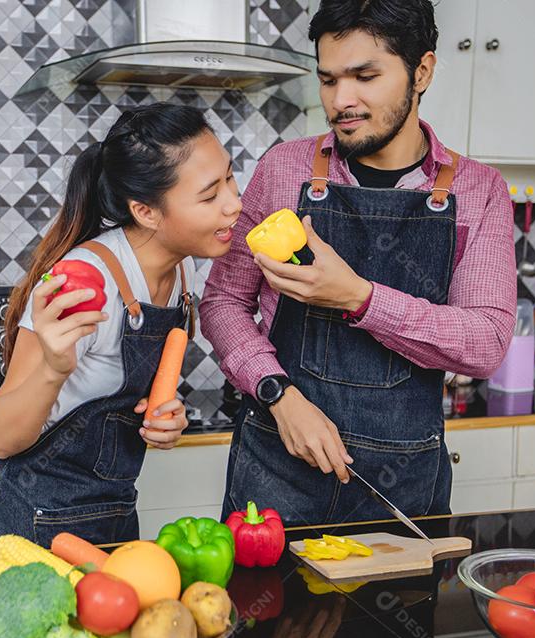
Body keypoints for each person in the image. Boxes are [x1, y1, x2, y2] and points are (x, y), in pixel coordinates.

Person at [199, 0, 516, 528]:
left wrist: (358, 297)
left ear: (423, 71)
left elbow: (485, 342)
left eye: (365, 76)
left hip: (404, 486)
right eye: (328, 80)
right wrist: (278, 394)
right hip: (277, 472)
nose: (341, 100)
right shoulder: (284, 170)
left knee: (401, 613)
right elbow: (223, 301)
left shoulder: (477, 191)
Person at [0, 102, 242, 553]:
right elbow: (1, 437)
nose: (235, 204)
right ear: (146, 212)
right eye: (210, 195)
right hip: (37, 513)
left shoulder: (181, 273)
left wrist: (163, 417)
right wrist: (53, 369)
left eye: (230, 178)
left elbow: (129, 391)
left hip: (113, 506)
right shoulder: (85, 281)